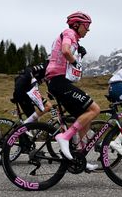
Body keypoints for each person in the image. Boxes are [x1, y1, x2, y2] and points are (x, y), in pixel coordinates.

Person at [46, 11, 100, 170]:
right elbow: (65, 50)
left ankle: (78, 156)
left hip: (58, 82)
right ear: (77, 24)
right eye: (87, 26)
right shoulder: (69, 32)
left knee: (85, 117)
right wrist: (75, 61)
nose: (88, 30)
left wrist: (78, 52)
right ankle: (65, 137)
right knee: (94, 109)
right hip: (58, 81)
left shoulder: (74, 38)